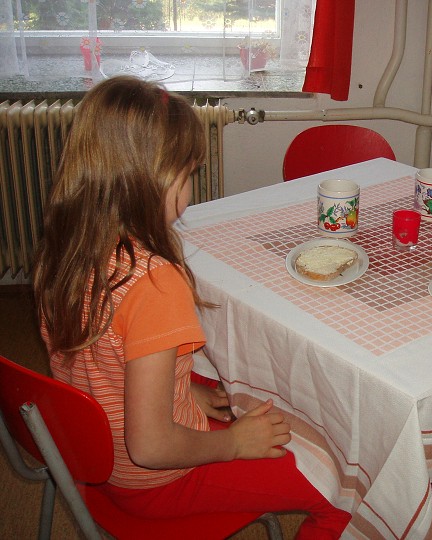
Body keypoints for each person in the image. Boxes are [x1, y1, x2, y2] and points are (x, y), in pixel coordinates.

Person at [32, 76, 350, 539]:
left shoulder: (62, 251)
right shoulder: (153, 283)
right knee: (346, 493)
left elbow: (98, 366)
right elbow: (151, 447)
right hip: (155, 482)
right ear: (151, 179)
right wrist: (233, 444)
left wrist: (178, 394)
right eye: (187, 174)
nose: (190, 191)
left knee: (210, 381)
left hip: (91, 459)